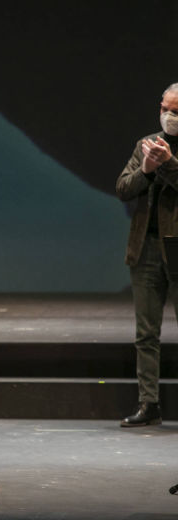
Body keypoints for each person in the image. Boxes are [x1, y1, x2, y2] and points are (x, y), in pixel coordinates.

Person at [116, 82, 178, 427]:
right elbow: (123, 188)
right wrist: (146, 170)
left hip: (177, 246)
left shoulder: (167, 153)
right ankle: (148, 402)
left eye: (175, 111)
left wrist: (169, 164)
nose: (168, 116)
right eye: (164, 109)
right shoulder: (148, 144)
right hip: (146, 246)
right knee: (146, 332)